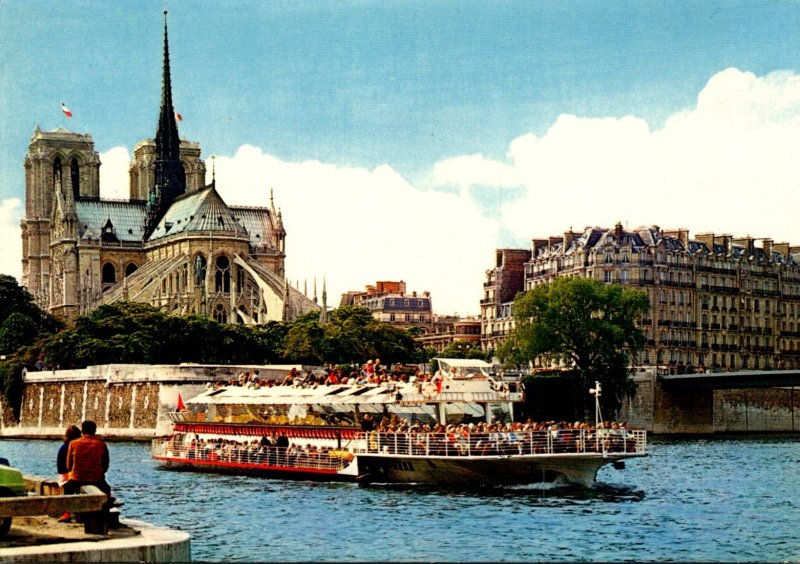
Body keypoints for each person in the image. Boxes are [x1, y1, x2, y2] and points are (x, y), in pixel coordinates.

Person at [64, 420, 112, 516]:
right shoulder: (102, 444)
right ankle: (105, 514)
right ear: (95, 431)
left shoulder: (73, 444)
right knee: (107, 489)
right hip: (97, 480)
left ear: (82, 431)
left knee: (67, 489)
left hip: (77, 479)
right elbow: (105, 466)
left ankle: (66, 514)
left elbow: (68, 466)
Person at [56, 425, 82, 522]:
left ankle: (68, 514)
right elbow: (69, 466)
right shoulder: (72, 446)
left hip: (62, 475)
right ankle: (69, 514)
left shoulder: (63, 446)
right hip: (67, 475)